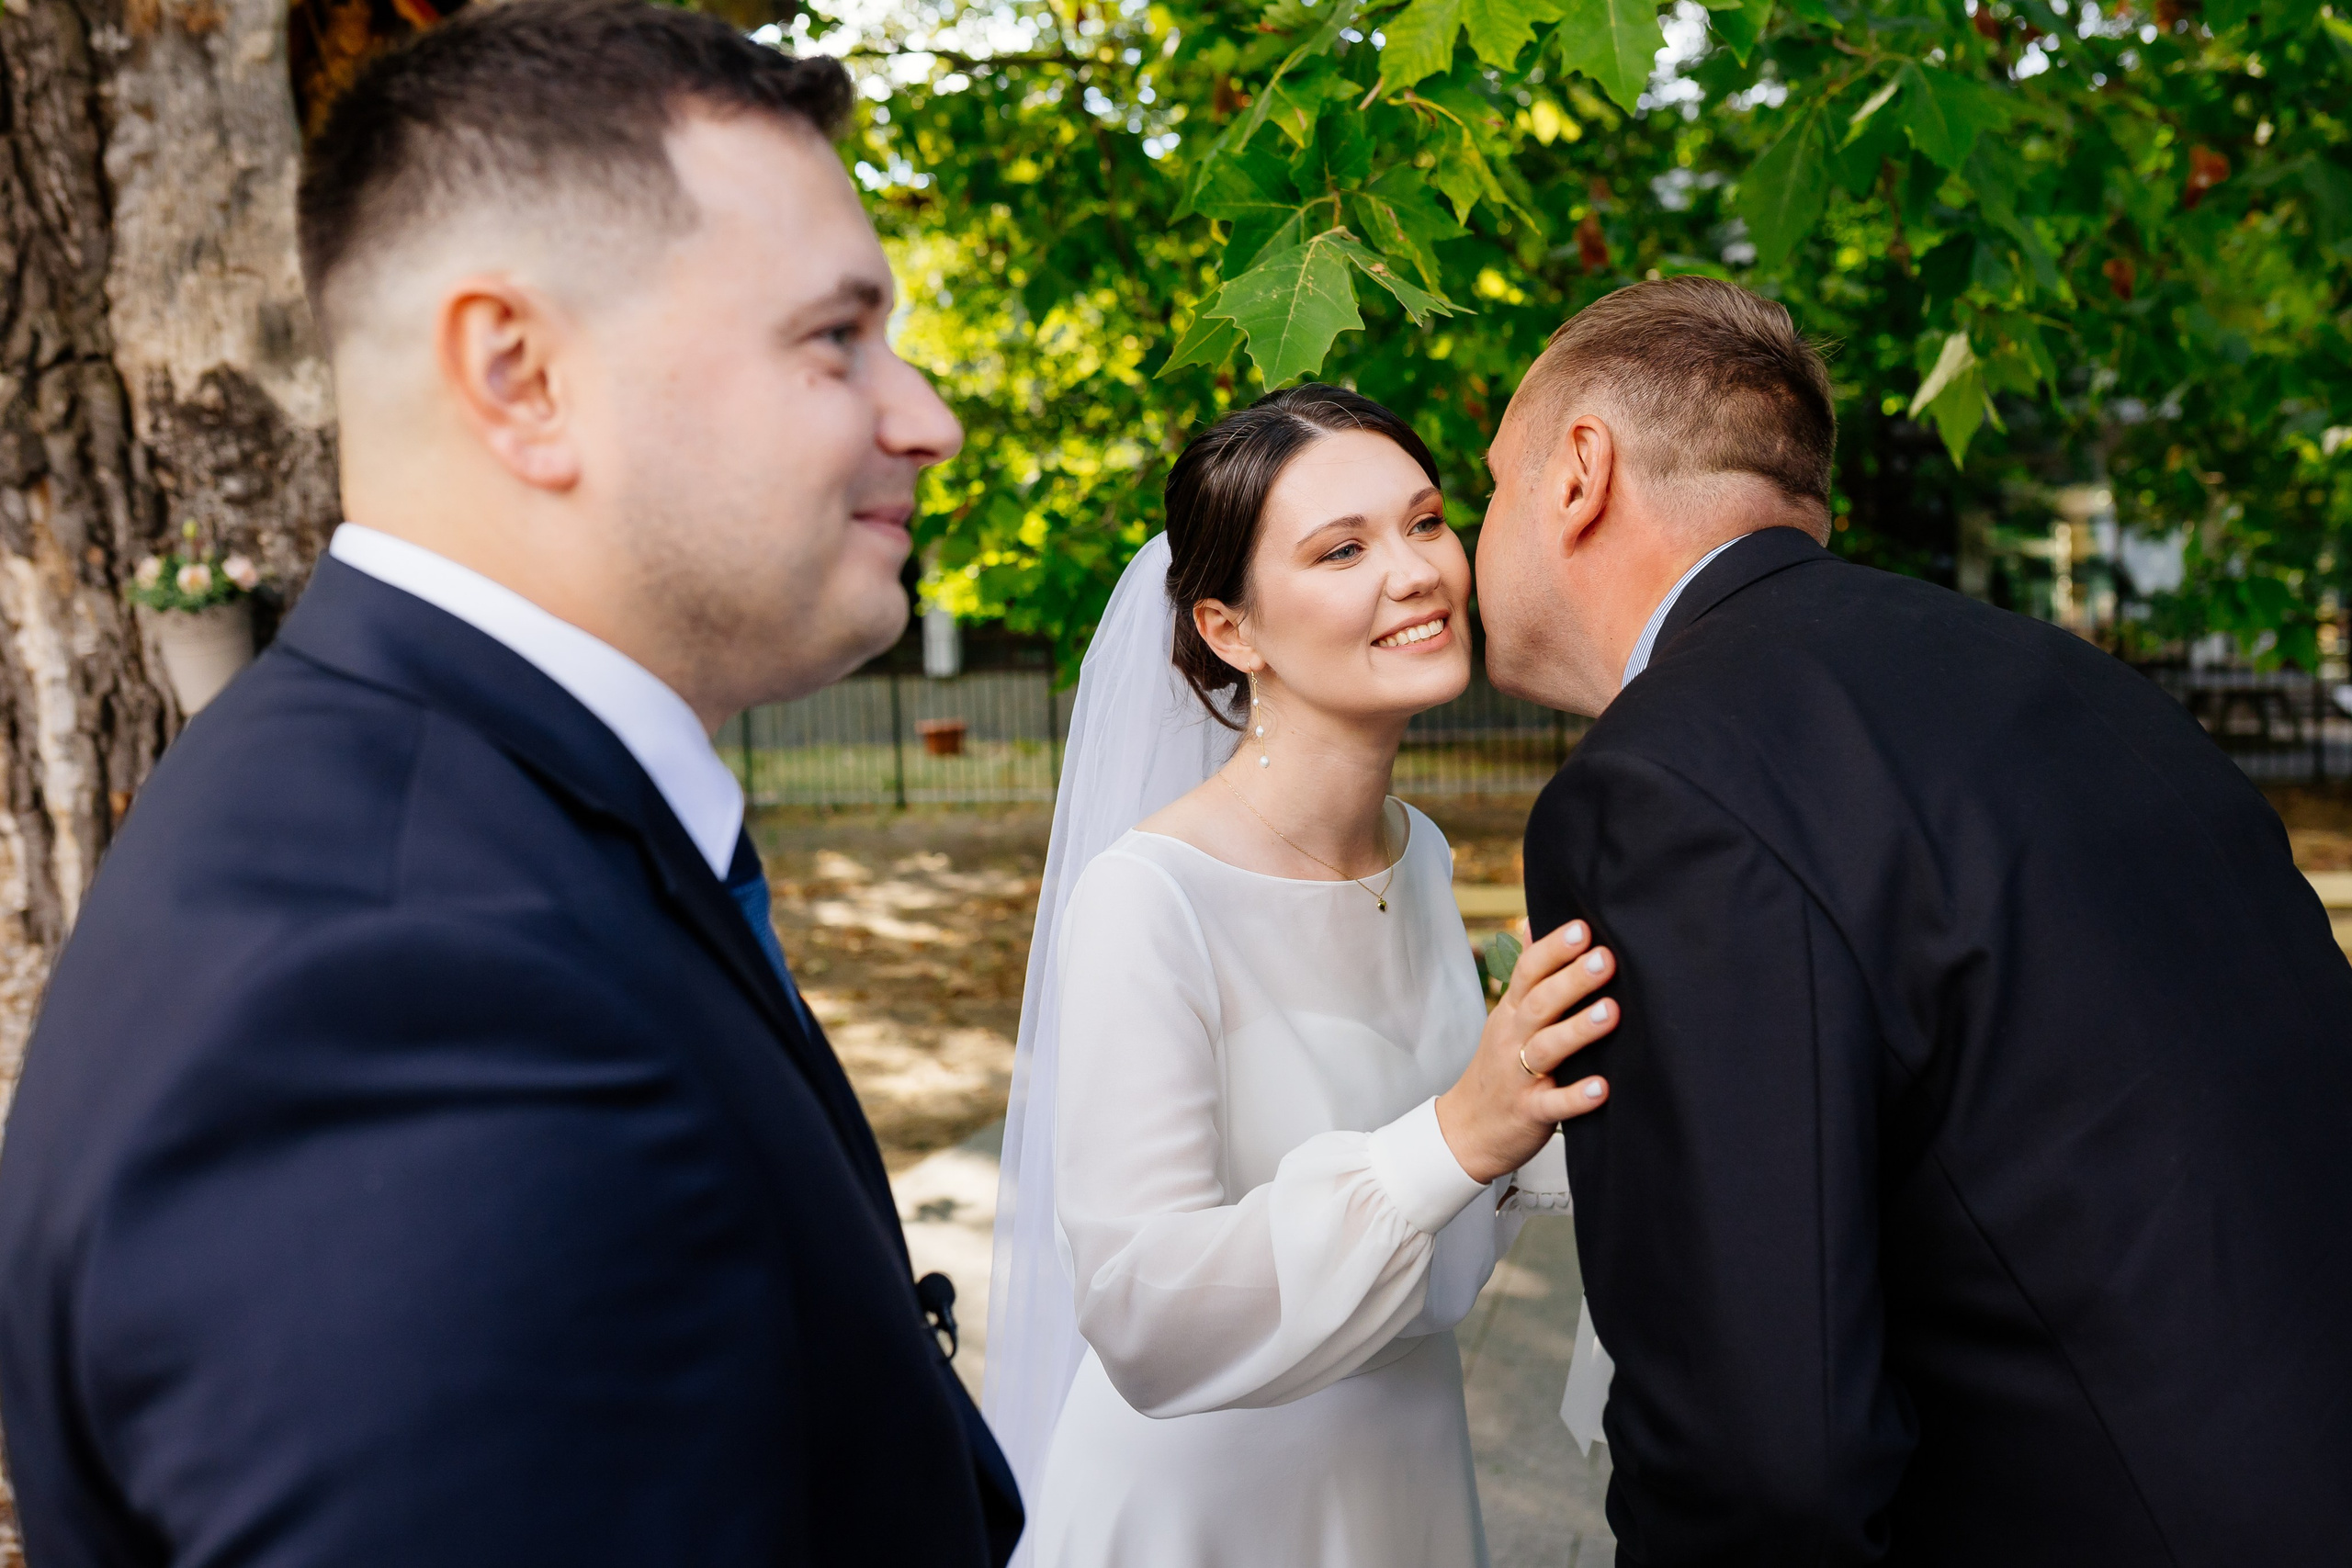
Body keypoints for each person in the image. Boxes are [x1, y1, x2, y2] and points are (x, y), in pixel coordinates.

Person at [0, 4, 1020, 1562]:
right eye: (836, 337)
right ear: (522, 376)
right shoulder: (403, 995)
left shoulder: (432, 815)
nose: (925, 419)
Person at [1476, 274, 2352, 1564]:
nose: (1469, 541)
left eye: (1492, 484)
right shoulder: (2072, 683)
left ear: (1579, 474)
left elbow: (1760, 1454)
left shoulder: (1662, 782)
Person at [987, 386, 1616, 1567]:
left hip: (1404, 1477)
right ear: (1231, 630)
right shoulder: (1148, 899)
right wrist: (1461, 1130)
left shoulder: (1418, 853)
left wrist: (1561, 1090)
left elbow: (1456, 1184)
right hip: (1210, 1512)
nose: (1415, 571)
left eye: (1425, 522)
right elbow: (1139, 1306)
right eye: (1342, 549)